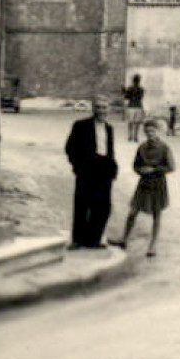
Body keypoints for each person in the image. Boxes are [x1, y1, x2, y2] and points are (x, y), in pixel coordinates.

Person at [110, 119, 175, 258]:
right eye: (147, 131)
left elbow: (171, 167)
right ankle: (124, 239)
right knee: (133, 211)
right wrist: (140, 170)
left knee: (157, 214)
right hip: (144, 183)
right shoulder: (142, 147)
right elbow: (135, 165)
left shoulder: (164, 148)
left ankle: (153, 245)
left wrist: (154, 170)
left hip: (158, 184)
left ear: (158, 132)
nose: (150, 134)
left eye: (152, 131)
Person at [64, 98, 118, 249]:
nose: (101, 111)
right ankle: (78, 240)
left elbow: (109, 150)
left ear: (109, 109)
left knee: (102, 205)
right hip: (86, 168)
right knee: (82, 203)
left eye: (104, 107)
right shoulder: (81, 125)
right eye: (98, 107)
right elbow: (69, 147)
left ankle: (94, 239)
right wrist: (77, 166)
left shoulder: (109, 128)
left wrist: (112, 169)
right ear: (93, 109)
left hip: (104, 169)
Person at [123, 74, 146, 143]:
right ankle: (135, 136)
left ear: (133, 81)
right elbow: (141, 97)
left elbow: (126, 97)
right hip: (138, 106)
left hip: (131, 106)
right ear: (139, 81)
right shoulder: (141, 89)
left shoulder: (130, 88)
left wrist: (124, 91)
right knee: (137, 122)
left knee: (130, 122)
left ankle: (130, 135)